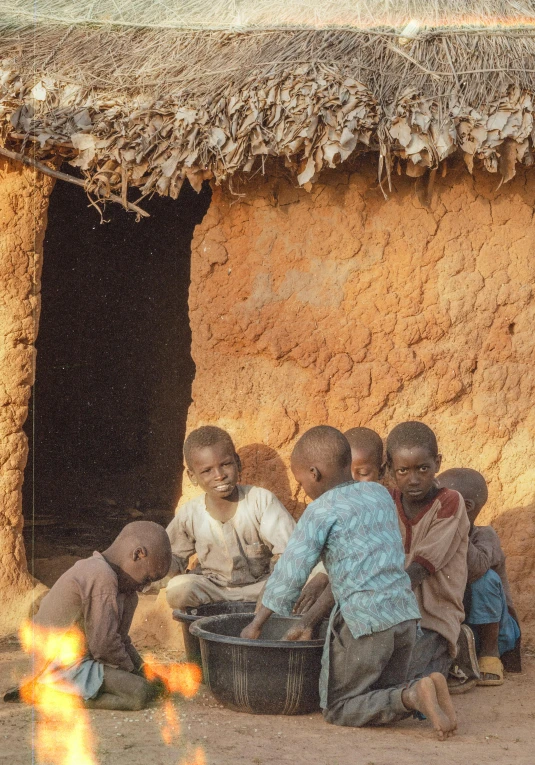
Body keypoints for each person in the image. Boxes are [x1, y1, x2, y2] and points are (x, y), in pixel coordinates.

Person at [241, 426, 457, 740]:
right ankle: (425, 687)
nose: (302, 491)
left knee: (340, 707)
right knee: (379, 692)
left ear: (314, 473)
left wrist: (256, 625)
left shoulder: (319, 511)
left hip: (365, 624)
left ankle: (412, 696)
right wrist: (307, 621)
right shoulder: (380, 494)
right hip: (405, 618)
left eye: (301, 482)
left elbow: (290, 572)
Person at [165, 426, 325, 611]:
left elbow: (292, 552)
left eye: (226, 464)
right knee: (178, 589)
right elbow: (172, 556)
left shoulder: (260, 500)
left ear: (238, 463)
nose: (219, 475)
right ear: (192, 476)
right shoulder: (191, 513)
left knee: (316, 577)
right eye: (207, 471)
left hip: (262, 587)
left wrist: (274, 584)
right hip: (215, 590)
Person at [21, 521, 172, 710]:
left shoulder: (127, 593)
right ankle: (49, 694)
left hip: (81, 660)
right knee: (139, 693)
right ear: (137, 554)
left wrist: (145, 671)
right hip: (56, 665)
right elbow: (104, 645)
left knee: (148, 686)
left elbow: (121, 640)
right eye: (148, 578)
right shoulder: (101, 575)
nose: (144, 588)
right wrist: (134, 674)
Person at [386, 421, 471, 681]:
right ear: (390, 469)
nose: (413, 479)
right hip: (393, 614)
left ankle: (458, 645)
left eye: (423, 468)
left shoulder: (449, 503)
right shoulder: (386, 501)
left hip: (432, 616)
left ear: (438, 463)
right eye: (403, 470)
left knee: (408, 681)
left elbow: (421, 567)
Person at [437, 468, 521, 686]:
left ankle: (490, 656)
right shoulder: (435, 536)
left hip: (496, 632)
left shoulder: (485, 535)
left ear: (466, 507)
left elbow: (477, 568)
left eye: (440, 499)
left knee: (486, 580)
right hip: (461, 632)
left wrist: (458, 526)